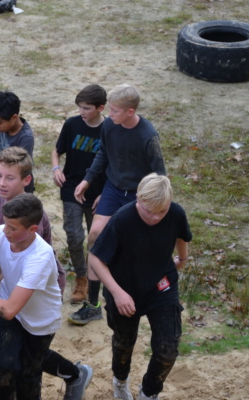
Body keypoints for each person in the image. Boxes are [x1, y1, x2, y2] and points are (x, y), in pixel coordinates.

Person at [0, 147, 91, 400]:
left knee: (29, 366)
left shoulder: (34, 219)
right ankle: (1, 391)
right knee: (7, 359)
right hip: (9, 284)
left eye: (9, 178)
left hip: (36, 292)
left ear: (26, 180)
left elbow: (21, 264)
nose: (1, 183)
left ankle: (74, 374)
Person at [88, 173, 191, 400]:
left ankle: (148, 393)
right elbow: (96, 259)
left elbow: (181, 234)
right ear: (138, 200)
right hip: (124, 288)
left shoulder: (175, 213)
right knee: (124, 344)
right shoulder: (122, 219)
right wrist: (117, 292)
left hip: (161, 286)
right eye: (149, 211)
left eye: (161, 211)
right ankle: (120, 381)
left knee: (168, 349)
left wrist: (182, 258)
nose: (155, 217)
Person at [69, 84, 166, 326]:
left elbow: (159, 175)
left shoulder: (148, 136)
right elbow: (103, 153)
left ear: (130, 112)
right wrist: (88, 181)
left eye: (113, 111)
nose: (109, 115)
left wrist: (151, 205)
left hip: (137, 194)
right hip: (113, 188)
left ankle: (132, 293)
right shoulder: (110, 126)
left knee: (129, 245)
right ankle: (93, 304)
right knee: (94, 235)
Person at [0, 194, 66, 400]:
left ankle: (72, 374)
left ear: (33, 229)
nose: (5, 231)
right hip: (10, 307)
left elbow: (8, 309)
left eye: (13, 228)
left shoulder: (40, 257)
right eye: (5, 224)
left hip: (39, 321)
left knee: (29, 376)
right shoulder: (1, 233)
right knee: (4, 367)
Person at [51, 85, 107, 304]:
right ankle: (82, 278)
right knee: (74, 236)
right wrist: (56, 169)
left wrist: (107, 193)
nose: (82, 112)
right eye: (80, 107)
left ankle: (96, 280)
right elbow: (57, 150)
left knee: (97, 240)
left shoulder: (110, 129)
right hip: (72, 188)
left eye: (87, 108)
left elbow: (115, 165)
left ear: (101, 108)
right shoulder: (72, 124)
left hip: (99, 193)